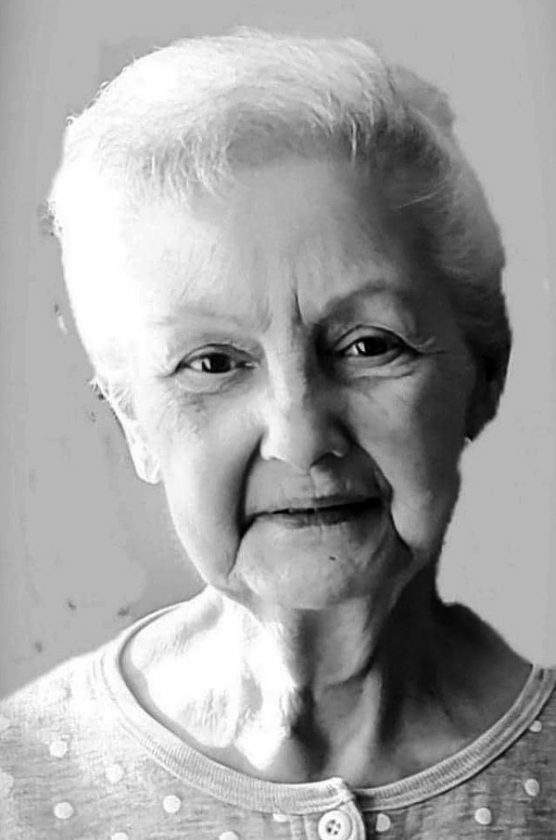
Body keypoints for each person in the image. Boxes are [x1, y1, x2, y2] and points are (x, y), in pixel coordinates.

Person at [0, 28, 554, 840]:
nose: (300, 437)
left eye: (369, 346)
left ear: (483, 374)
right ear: (134, 422)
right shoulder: (21, 783)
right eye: (213, 363)